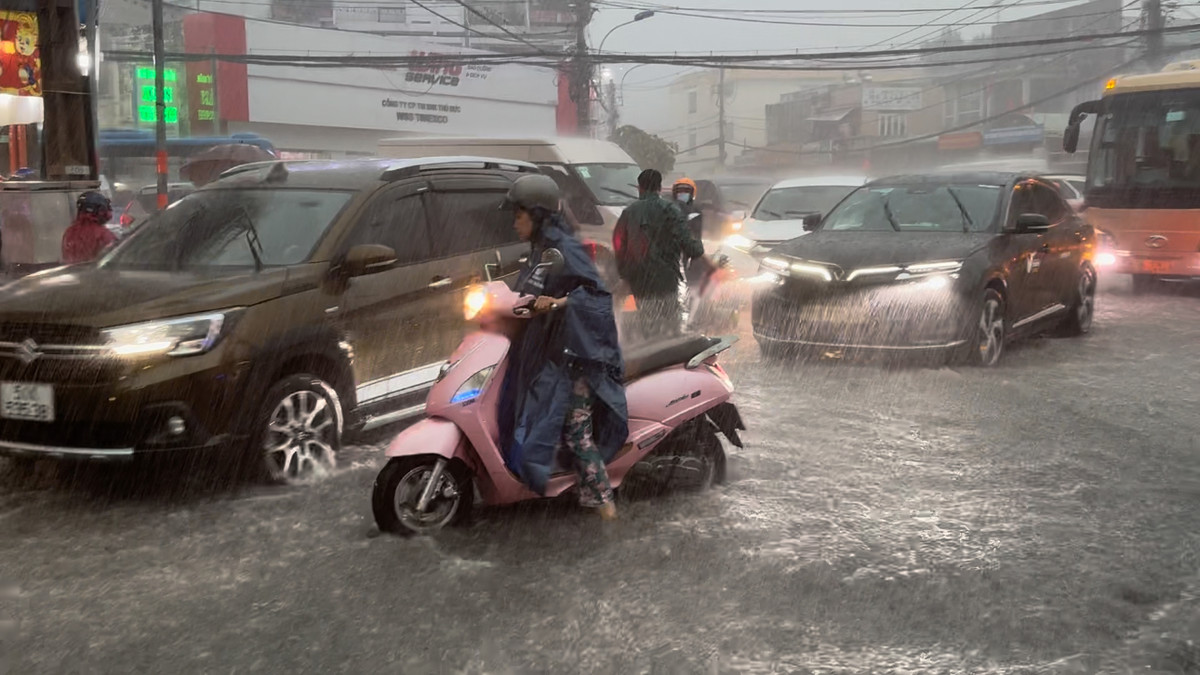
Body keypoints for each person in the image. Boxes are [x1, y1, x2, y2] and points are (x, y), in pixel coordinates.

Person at [498, 174, 628, 521]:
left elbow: (597, 297)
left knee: (575, 431)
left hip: (579, 357)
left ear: (537, 215)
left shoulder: (565, 249)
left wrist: (556, 304)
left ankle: (607, 508)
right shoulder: (541, 251)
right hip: (553, 351)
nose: (514, 223)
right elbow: (527, 290)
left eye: (519, 215)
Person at [613, 169, 704, 341]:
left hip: (639, 281)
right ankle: (669, 359)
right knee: (670, 327)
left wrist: (625, 274)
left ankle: (651, 353)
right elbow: (691, 248)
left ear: (640, 188)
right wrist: (698, 246)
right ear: (660, 188)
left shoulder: (629, 212)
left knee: (648, 323)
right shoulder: (670, 210)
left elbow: (619, 245)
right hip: (666, 279)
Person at [62, 191, 116, 265]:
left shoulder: (69, 231)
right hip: (95, 274)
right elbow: (114, 259)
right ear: (100, 211)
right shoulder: (103, 234)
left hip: (73, 272)